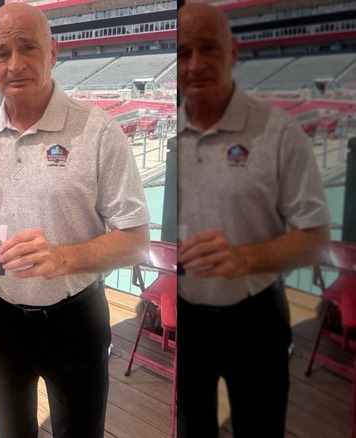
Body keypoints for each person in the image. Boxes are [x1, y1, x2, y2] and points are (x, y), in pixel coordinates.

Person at [0, 3, 151, 437]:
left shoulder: (100, 132)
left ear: (53, 51)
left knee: (80, 431)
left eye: (28, 47)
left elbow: (136, 240)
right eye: (2, 52)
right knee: (10, 430)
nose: (16, 64)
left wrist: (62, 259)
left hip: (74, 318)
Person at [176, 4, 331, 437]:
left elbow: (317, 238)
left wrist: (244, 258)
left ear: (233, 53)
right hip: (188, 316)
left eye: (208, 48)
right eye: (182, 52)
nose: (195, 64)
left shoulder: (279, 132)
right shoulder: (170, 134)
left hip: (255, 319)